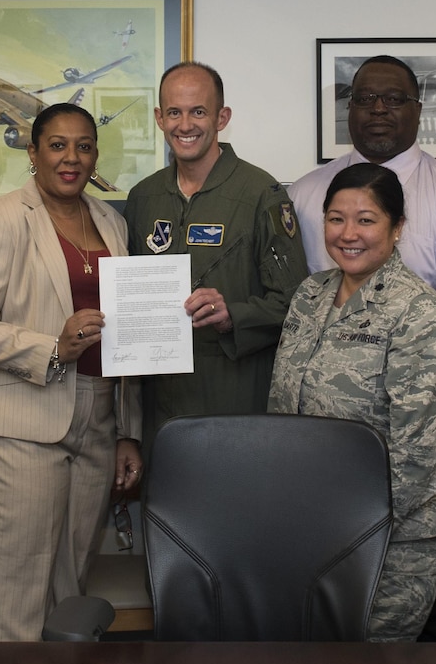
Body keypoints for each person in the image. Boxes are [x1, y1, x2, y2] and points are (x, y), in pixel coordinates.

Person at [289, 55, 436, 641]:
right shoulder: (305, 194)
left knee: (427, 613)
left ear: (418, 109)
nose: (378, 111)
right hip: (321, 468)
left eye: (394, 99)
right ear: (348, 108)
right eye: (364, 99)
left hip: (415, 459)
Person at [0, 103, 143, 641]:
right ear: (32, 153)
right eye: (57, 145)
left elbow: (124, 335)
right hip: (22, 420)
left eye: (84, 146)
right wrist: (52, 347)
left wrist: (128, 430)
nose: (71, 158)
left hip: (99, 418)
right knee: (19, 594)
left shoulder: (112, 221)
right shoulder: (1, 215)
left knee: (71, 592)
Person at [270, 162, 436, 642]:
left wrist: (347, 529)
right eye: (336, 218)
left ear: (397, 228)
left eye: (366, 220)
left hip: (388, 543)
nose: (348, 233)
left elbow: (419, 453)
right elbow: (282, 409)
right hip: (306, 524)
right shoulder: (310, 294)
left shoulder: (418, 311)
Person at [125, 62, 309, 448]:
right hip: (159, 405)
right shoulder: (143, 197)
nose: (185, 124)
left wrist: (233, 316)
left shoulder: (262, 193)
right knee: (163, 507)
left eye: (198, 111)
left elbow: (297, 305)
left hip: (235, 399)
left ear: (222, 117)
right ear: (159, 118)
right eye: (174, 112)